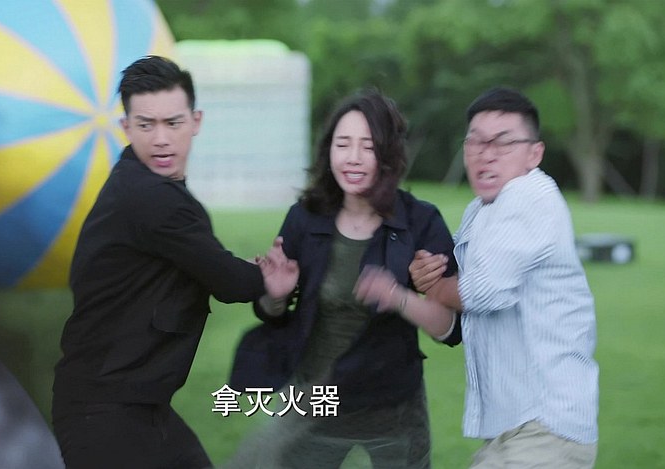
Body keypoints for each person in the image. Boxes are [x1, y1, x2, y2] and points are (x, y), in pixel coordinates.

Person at [51, 55, 297, 469]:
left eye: (173, 123)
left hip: (140, 407)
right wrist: (267, 278)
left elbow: (205, 265)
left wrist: (249, 276)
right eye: (146, 125)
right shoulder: (149, 197)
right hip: (104, 412)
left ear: (196, 121)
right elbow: (230, 282)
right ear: (126, 127)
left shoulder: (144, 186)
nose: (161, 139)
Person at [229, 89, 460, 469]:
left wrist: (398, 297)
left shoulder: (420, 221)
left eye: (368, 146)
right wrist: (276, 294)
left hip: (393, 407)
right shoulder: (305, 218)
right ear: (328, 151)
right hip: (314, 400)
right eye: (343, 144)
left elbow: (449, 329)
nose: (353, 157)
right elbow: (271, 312)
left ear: (388, 154)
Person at [407, 87, 599, 468]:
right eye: (475, 142)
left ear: (534, 154)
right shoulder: (480, 212)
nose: (486, 153)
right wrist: (426, 276)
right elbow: (458, 309)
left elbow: (480, 291)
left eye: (504, 142)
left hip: (545, 425)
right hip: (515, 429)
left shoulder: (529, 196)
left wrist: (432, 285)